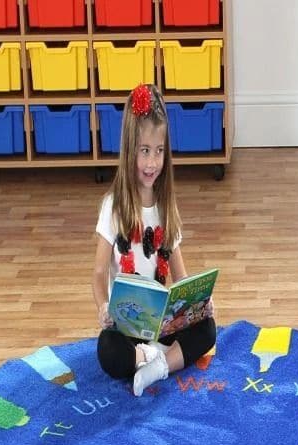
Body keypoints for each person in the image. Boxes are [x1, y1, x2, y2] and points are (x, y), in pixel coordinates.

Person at [92, 83, 216, 396]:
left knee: (208, 330)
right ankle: (151, 357)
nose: (152, 163)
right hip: (130, 326)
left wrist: (198, 304)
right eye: (144, 151)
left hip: (164, 323)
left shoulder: (165, 206)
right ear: (129, 151)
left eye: (159, 152)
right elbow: (97, 274)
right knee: (107, 350)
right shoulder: (114, 207)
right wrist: (104, 306)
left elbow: (181, 275)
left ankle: (159, 367)